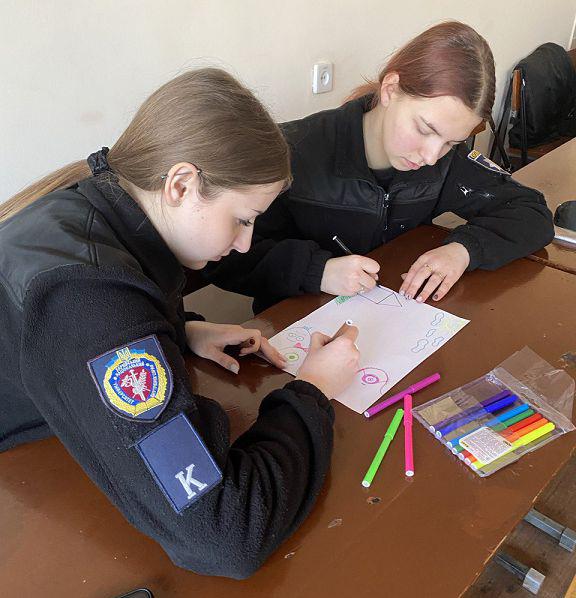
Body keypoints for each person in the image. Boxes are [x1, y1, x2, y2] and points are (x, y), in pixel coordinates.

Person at [0, 68, 360, 579]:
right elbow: (224, 537)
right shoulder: (87, 299)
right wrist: (313, 390)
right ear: (181, 185)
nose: (245, 243)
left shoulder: (100, 202)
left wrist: (180, 328)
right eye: (243, 218)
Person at [204, 22, 555, 313]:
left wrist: (462, 251)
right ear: (390, 89)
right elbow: (220, 255)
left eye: (451, 142)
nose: (431, 156)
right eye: (425, 129)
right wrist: (317, 271)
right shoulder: (292, 152)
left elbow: (531, 212)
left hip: (393, 320)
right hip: (296, 331)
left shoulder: (445, 163)